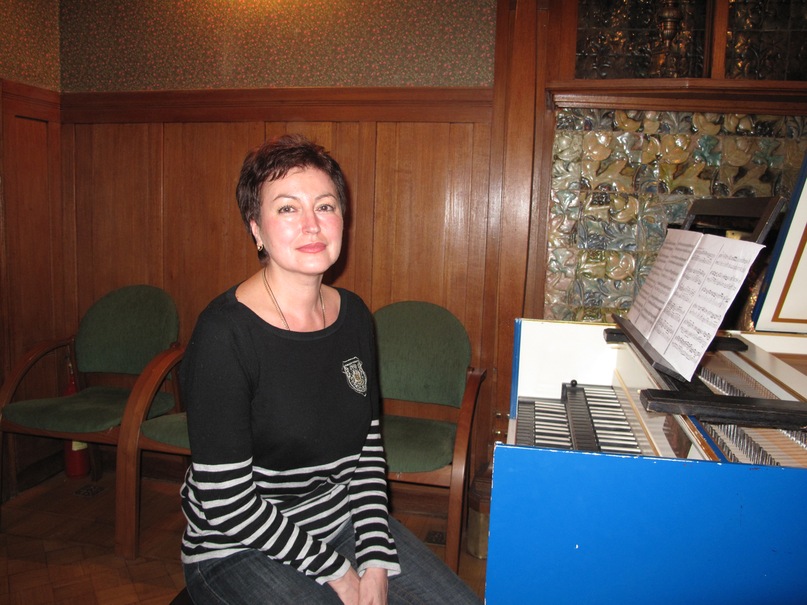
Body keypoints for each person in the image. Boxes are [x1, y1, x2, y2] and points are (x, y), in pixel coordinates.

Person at [179, 134, 482, 605]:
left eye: (325, 206)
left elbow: (367, 451)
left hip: (340, 524)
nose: (311, 224)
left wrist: (376, 562)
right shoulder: (225, 334)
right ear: (256, 228)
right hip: (236, 547)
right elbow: (227, 503)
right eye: (287, 208)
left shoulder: (354, 316)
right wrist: (338, 572)